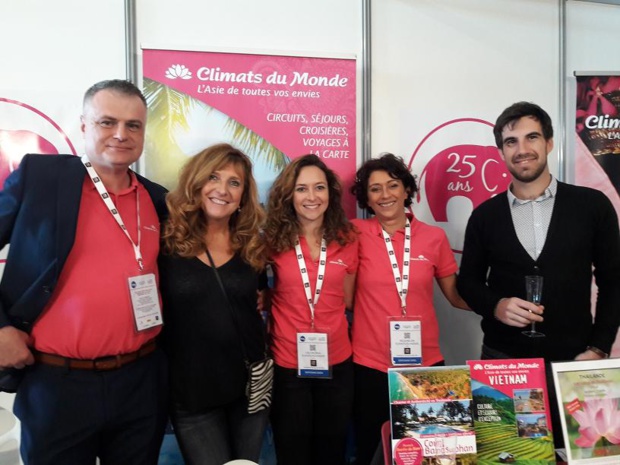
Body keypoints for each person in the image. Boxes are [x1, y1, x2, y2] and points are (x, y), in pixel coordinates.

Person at [0, 79, 169, 464]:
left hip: (140, 380)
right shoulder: (39, 178)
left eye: (133, 125)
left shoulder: (157, 199)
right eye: (107, 122)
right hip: (58, 384)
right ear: (83, 126)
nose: (121, 134)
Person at [457, 101, 620, 445]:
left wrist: (600, 348)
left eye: (531, 137)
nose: (522, 149)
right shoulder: (485, 216)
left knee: (581, 450)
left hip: (576, 360)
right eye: (511, 141)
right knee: (509, 453)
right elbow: (468, 283)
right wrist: (496, 305)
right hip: (503, 360)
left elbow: (614, 282)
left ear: (549, 142)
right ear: (501, 151)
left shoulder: (592, 206)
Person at [350, 153, 470, 465]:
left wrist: (498, 304)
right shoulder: (353, 234)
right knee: (372, 454)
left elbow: (455, 296)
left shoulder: (434, 238)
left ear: (407, 190)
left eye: (392, 185)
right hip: (370, 365)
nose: (385, 194)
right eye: (375, 189)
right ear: (367, 197)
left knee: (430, 455)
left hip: (425, 365)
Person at [159, 143, 269, 465]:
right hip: (192, 393)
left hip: (250, 386)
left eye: (234, 183)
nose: (222, 190)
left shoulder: (252, 245)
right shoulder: (166, 242)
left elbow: (260, 296)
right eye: (213, 178)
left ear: (243, 195)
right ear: (196, 183)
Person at [264, 154, 358, 465]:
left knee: (331, 451)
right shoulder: (272, 241)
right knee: (293, 452)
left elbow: (346, 300)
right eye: (302, 189)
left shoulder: (348, 240)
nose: (311, 197)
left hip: (337, 362)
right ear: (289, 194)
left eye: (319, 188)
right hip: (288, 362)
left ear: (330, 194)